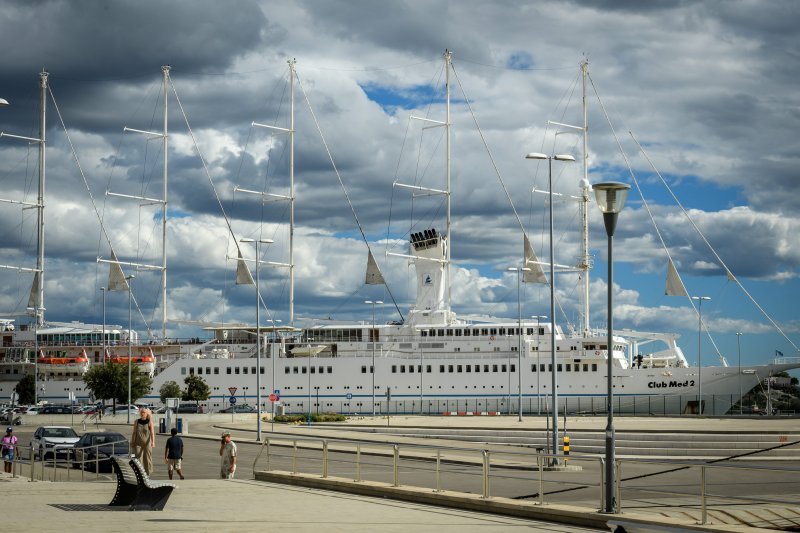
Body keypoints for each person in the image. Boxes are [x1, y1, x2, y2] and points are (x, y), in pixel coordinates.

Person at [131, 407, 155, 475]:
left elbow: (152, 433)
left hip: (147, 443)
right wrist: (133, 441)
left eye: (144, 412)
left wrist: (153, 442)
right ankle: (140, 473)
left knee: (147, 458)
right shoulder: (136, 421)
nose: (142, 414)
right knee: (138, 457)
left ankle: (148, 473)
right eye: (141, 412)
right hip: (138, 442)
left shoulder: (149, 422)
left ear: (146, 413)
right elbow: (134, 432)